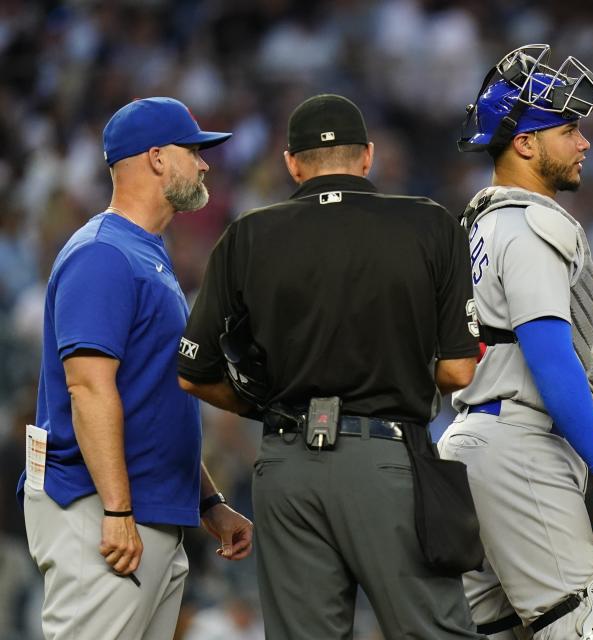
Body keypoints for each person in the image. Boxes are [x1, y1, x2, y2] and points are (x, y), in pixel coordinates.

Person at [176, 94, 483, 640]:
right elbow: (459, 372)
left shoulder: (247, 234)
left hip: (287, 464)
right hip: (388, 457)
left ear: (292, 164)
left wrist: (269, 407)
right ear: (367, 156)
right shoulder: (430, 224)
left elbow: (192, 372)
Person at [17, 97, 254, 639]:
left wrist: (209, 502)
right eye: (193, 150)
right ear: (155, 158)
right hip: (102, 513)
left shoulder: (145, 251)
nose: (204, 164)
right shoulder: (102, 253)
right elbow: (88, 389)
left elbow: (154, 400)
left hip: (148, 513)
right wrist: (119, 510)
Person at [441, 44, 593, 639]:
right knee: (583, 628)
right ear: (524, 143)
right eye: (569, 128)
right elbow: (549, 357)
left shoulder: (476, 225)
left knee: (484, 628)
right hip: (519, 446)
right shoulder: (531, 225)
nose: (583, 143)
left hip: (469, 442)